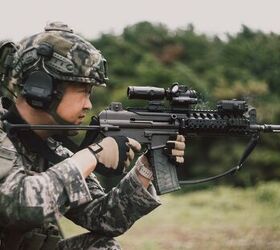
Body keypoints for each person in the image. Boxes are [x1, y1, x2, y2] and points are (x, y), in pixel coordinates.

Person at [0, 22, 186, 250]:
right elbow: (19, 207)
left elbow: (105, 219)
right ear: (43, 88)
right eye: (82, 92)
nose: (88, 104)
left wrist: (147, 166)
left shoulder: (49, 149)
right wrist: (93, 154)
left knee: (102, 246)